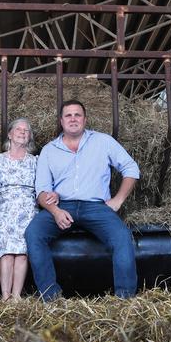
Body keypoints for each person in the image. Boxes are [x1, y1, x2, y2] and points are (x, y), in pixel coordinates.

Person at [25, 100, 140, 301]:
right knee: (33, 233)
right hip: (62, 207)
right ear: (61, 121)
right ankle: (51, 297)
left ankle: (125, 299)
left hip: (96, 207)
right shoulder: (49, 150)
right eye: (68, 115)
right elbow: (41, 191)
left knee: (122, 236)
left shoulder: (103, 141)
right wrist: (55, 211)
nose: (73, 119)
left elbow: (131, 169)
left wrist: (118, 200)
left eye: (77, 115)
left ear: (85, 119)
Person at [0, 118, 58, 301]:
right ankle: (5, 296)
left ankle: (17, 297)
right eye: (19, 129)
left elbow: (45, 184)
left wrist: (53, 194)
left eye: (26, 130)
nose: (23, 132)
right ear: (10, 134)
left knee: (22, 253)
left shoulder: (36, 161)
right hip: (2, 208)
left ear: (30, 137)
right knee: (7, 252)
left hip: (27, 207)